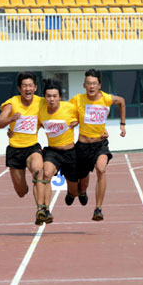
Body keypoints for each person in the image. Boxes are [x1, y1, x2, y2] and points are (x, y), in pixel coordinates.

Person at [70, 69, 126, 221]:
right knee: (82, 182)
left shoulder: (106, 98)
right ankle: (81, 191)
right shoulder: (77, 99)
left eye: (94, 83)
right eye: (89, 83)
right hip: (82, 146)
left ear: (99, 85)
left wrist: (122, 124)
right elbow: (66, 113)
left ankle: (98, 209)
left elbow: (121, 101)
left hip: (100, 145)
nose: (91, 86)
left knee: (101, 169)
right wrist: (73, 121)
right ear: (84, 85)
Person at [0, 72, 47, 225]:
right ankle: (25, 190)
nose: (28, 89)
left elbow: (56, 114)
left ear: (35, 87)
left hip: (32, 147)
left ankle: (40, 210)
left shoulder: (41, 102)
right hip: (15, 150)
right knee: (21, 192)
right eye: (24, 86)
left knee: (38, 171)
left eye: (30, 85)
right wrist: (11, 119)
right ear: (19, 88)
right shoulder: (12, 103)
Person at [38, 79, 81, 220]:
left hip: (70, 152)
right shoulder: (40, 109)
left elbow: (86, 117)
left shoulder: (69, 107)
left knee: (74, 190)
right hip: (52, 151)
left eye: (54, 96)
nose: (51, 99)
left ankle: (72, 193)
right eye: (49, 96)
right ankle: (46, 210)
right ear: (44, 97)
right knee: (46, 174)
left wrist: (79, 121)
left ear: (59, 97)